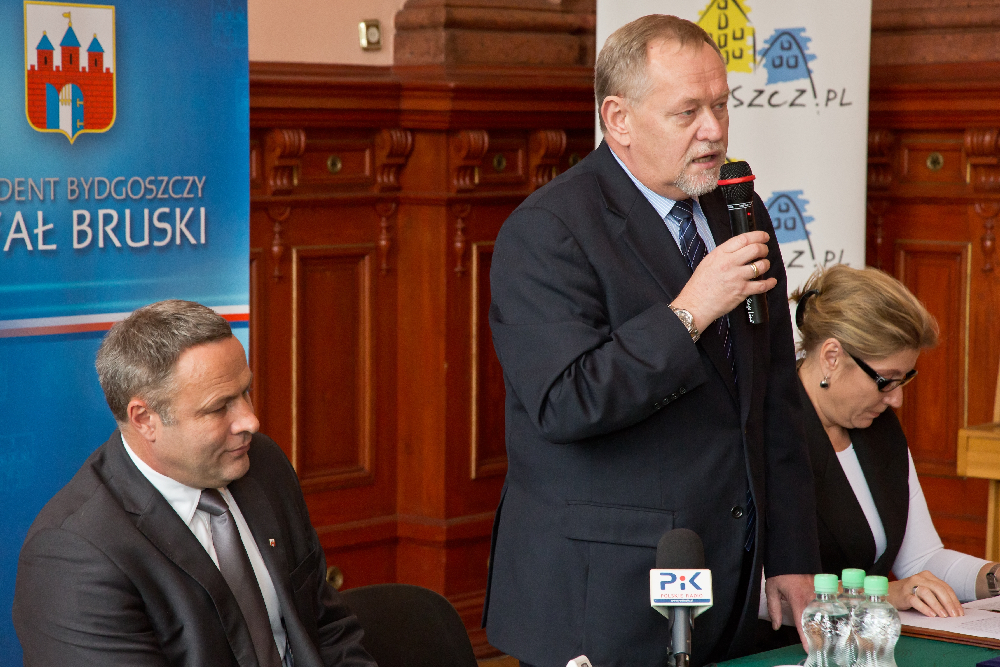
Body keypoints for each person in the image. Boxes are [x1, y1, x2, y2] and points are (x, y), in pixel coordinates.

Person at [482, 14, 821, 667]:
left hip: (731, 583)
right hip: (603, 599)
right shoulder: (547, 229)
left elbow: (775, 398)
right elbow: (566, 401)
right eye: (687, 112)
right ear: (619, 119)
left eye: (721, 105)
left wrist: (791, 554)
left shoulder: (738, 208)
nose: (714, 130)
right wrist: (689, 311)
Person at [13, 300, 377, 667]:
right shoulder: (74, 556)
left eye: (246, 392)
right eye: (219, 407)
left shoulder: (263, 465)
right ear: (145, 419)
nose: (250, 421)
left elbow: (326, 628)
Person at [785, 264, 1000, 618]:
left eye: (903, 380)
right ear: (832, 357)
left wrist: (995, 578)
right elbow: (761, 588)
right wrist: (884, 594)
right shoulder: (768, 429)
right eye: (885, 380)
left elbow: (922, 560)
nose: (896, 399)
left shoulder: (879, 428)